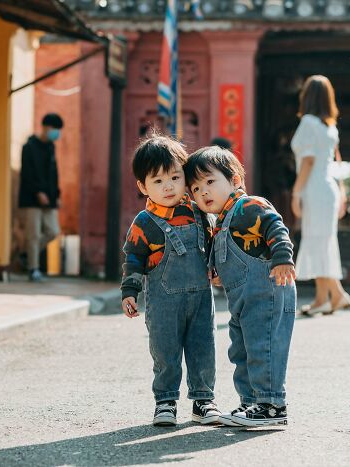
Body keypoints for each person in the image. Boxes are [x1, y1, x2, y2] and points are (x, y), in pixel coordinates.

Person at [185, 145, 296, 427]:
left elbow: (275, 226)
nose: (204, 192)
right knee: (242, 350)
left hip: (267, 292)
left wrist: (283, 257)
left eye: (210, 182)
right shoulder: (220, 222)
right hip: (242, 302)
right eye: (196, 189)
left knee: (263, 347)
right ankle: (250, 403)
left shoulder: (248, 206)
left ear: (234, 180)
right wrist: (218, 271)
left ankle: (271, 404)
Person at [120, 135, 221, 427]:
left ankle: (204, 400)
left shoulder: (199, 213)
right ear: (143, 186)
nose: (168, 187)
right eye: (158, 181)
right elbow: (134, 259)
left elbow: (213, 243)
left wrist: (215, 267)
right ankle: (165, 401)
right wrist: (130, 291)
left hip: (201, 298)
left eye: (175, 178)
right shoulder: (144, 223)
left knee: (204, 347)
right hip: (164, 303)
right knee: (165, 350)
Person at [290, 75, 350, 315]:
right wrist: (343, 194)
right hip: (329, 188)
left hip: (314, 188)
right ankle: (327, 297)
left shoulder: (308, 122)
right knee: (323, 241)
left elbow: (307, 161)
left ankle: (332, 296)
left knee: (317, 240)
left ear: (306, 96)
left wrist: (296, 193)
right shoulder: (330, 127)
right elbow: (335, 163)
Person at [18, 113, 63, 282]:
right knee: (33, 234)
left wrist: (56, 194)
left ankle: (25, 254)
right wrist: (38, 192)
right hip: (31, 198)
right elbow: (27, 174)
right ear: (45, 127)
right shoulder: (29, 147)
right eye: (55, 129)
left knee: (53, 231)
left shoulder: (51, 147)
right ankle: (33, 269)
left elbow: (54, 173)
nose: (57, 133)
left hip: (49, 199)